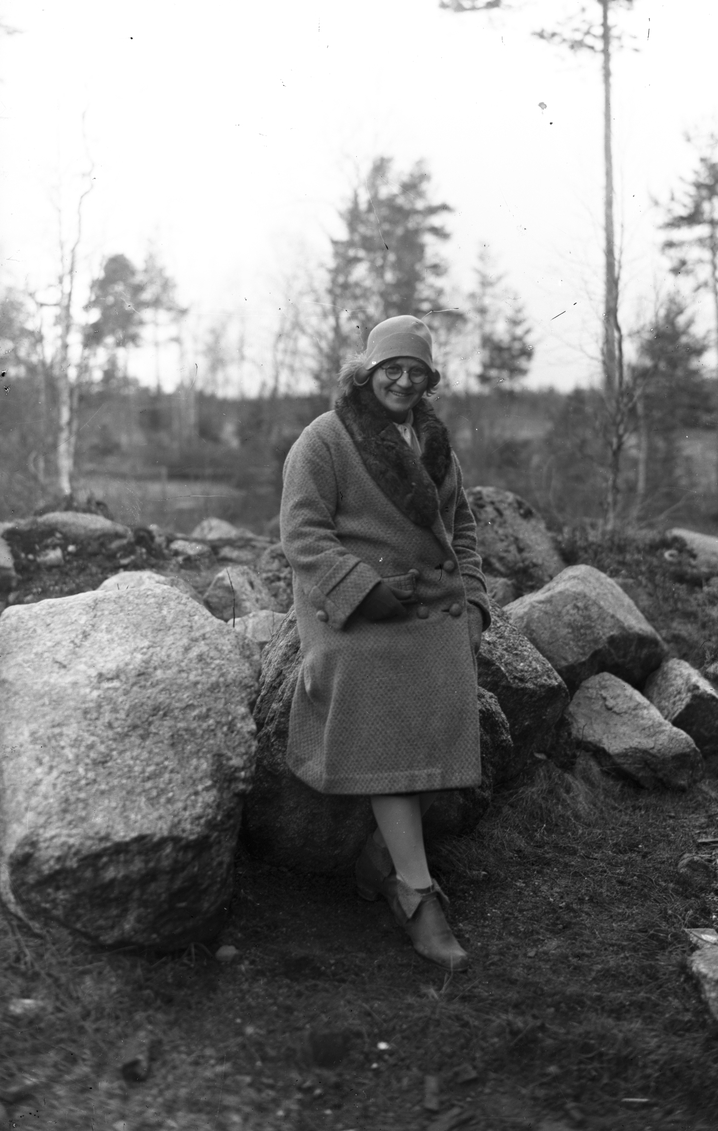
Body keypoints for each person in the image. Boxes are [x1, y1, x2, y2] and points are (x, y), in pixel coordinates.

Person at [279, 315, 490, 971]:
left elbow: (462, 528)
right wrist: (360, 590)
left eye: (416, 372)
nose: (403, 381)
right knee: (383, 696)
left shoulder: (434, 443)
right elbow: (302, 533)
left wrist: (474, 601)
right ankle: (416, 893)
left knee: (441, 690)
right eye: (391, 369)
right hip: (352, 609)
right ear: (366, 372)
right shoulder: (325, 438)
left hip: (430, 600)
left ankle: (381, 856)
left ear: (428, 380)